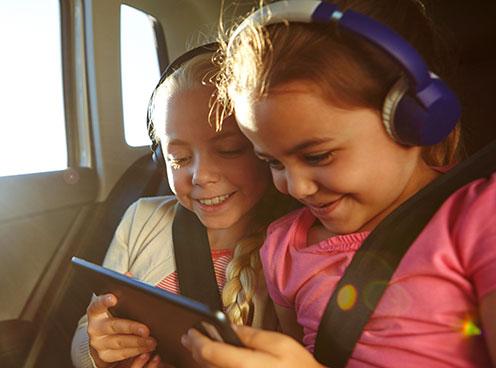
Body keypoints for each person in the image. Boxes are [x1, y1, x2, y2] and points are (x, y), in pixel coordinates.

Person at [181, 0, 496, 367]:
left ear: (413, 117)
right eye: (272, 162)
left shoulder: (480, 220)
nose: (296, 188)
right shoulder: (284, 247)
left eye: (317, 156)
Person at [71, 45, 290, 368]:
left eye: (229, 150)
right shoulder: (142, 218)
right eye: (179, 159)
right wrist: (97, 350)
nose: (200, 176)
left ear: (266, 149)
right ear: (161, 159)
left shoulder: (292, 244)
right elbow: (84, 335)